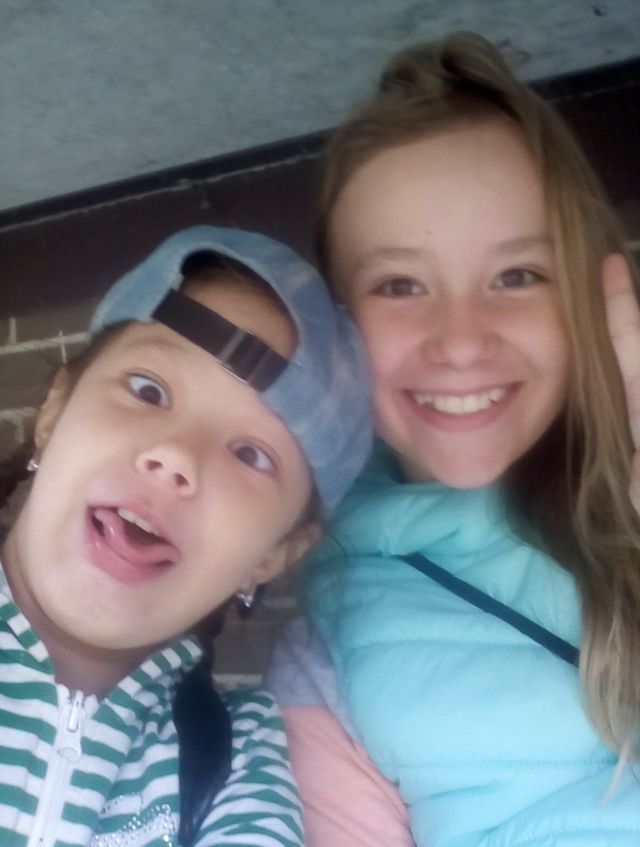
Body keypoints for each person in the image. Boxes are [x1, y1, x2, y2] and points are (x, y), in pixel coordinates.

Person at [266, 33, 640, 846]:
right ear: (335, 323)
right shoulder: (324, 660)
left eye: (516, 275)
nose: (461, 340)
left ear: (582, 293)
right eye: (399, 284)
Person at [0, 224, 371, 846]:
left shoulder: (237, 764)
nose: (176, 456)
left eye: (251, 454)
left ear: (275, 555)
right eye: (148, 390)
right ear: (55, 412)